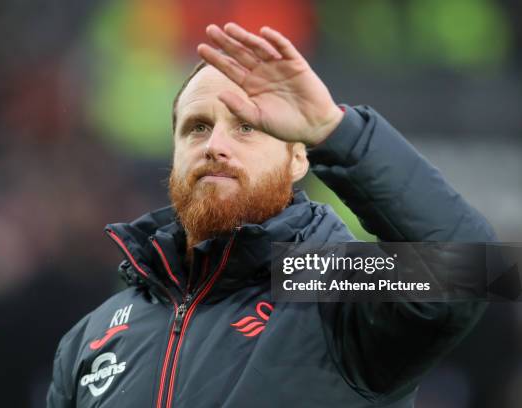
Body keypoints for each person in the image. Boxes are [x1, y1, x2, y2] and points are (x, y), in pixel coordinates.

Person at [46, 23, 495, 407]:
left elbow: (469, 267)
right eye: (197, 127)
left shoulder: (331, 279)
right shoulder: (96, 331)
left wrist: (336, 133)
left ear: (300, 159)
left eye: (248, 127)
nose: (215, 145)